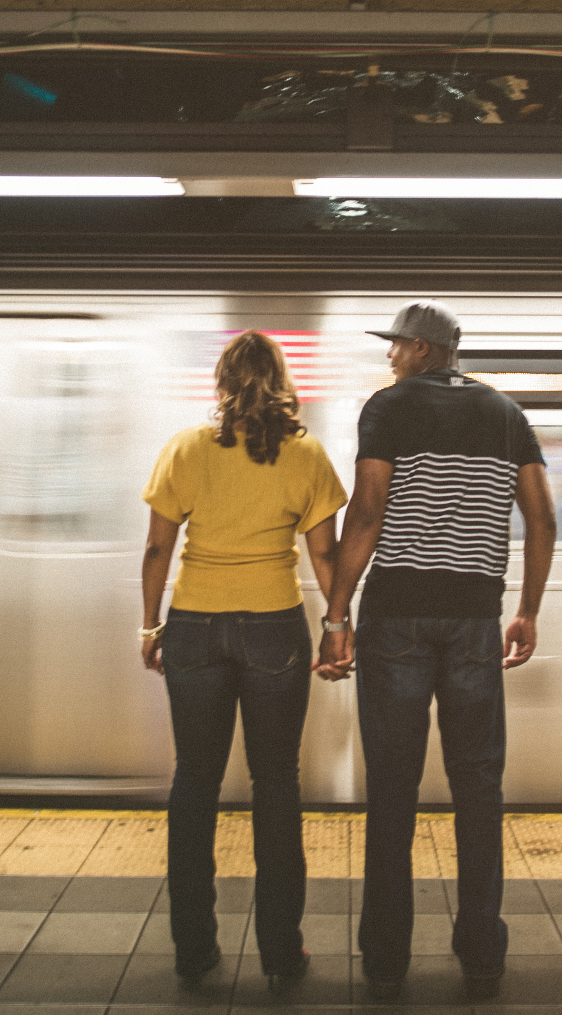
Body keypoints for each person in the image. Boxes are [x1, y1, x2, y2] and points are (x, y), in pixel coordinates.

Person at [316, 300, 556, 998]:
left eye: (396, 344)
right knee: (478, 786)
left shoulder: (387, 407)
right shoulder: (507, 414)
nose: (390, 355)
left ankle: (387, 955)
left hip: (397, 615)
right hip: (475, 616)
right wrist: (528, 609)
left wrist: (337, 612)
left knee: (393, 787)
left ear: (422, 348)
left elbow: (367, 509)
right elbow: (541, 517)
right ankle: (481, 948)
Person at [139, 331, 349, 990]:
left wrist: (151, 626)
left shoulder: (185, 448)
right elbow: (324, 557)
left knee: (194, 783)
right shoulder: (307, 454)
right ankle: (283, 952)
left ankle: (193, 947)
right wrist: (337, 625)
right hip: (274, 629)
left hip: (195, 628)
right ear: (281, 381)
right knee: (276, 785)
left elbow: (156, 549)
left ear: (222, 383)